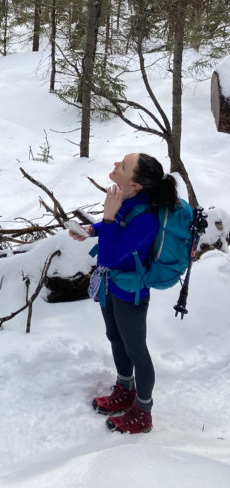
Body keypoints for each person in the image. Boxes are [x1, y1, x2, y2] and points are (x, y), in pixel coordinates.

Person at [69, 152, 180, 435]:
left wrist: (106, 216)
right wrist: (91, 229)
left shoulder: (147, 219)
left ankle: (143, 410)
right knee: (115, 337)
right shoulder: (128, 200)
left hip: (131, 292)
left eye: (123, 166)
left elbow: (109, 256)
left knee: (136, 350)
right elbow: (114, 230)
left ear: (137, 184)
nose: (115, 166)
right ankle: (125, 388)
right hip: (113, 285)